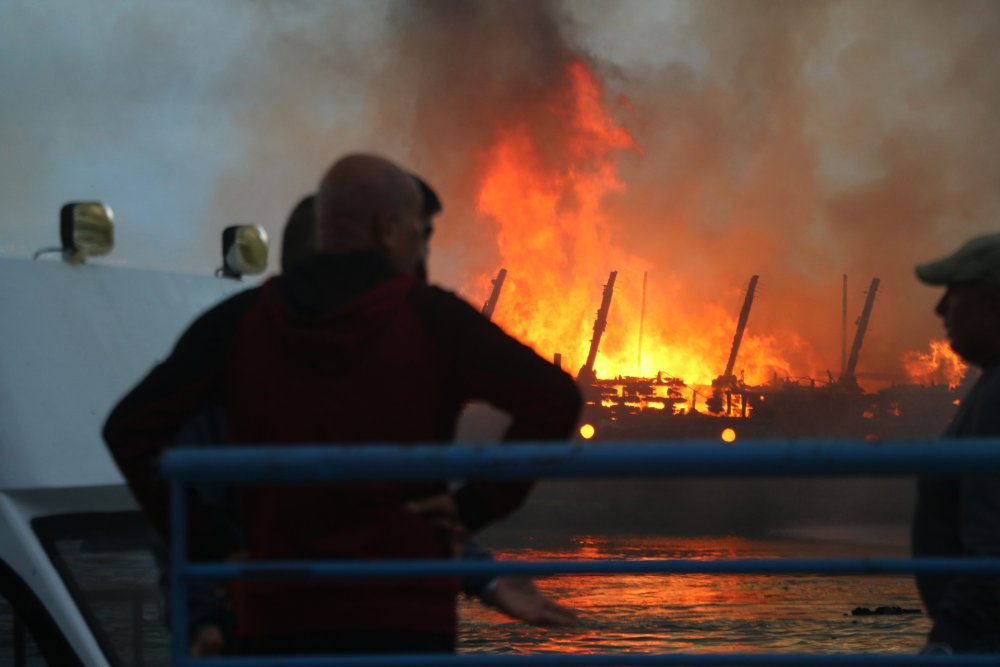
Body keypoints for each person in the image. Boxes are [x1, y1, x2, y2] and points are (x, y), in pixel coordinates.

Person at [103, 153, 582, 656]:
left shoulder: (238, 325)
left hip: (276, 617)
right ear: (391, 228)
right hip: (404, 617)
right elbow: (554, 399)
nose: (423, 248)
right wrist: (474, 506)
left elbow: (130, 429)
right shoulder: (432, 321)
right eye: (421, 231)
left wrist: (209, 546)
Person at [913, 232, 1000, 654]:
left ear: (992, 305)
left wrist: (951, 638)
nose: (941, 308)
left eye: (955, 294)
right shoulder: (990, 383)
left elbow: (993, 537)